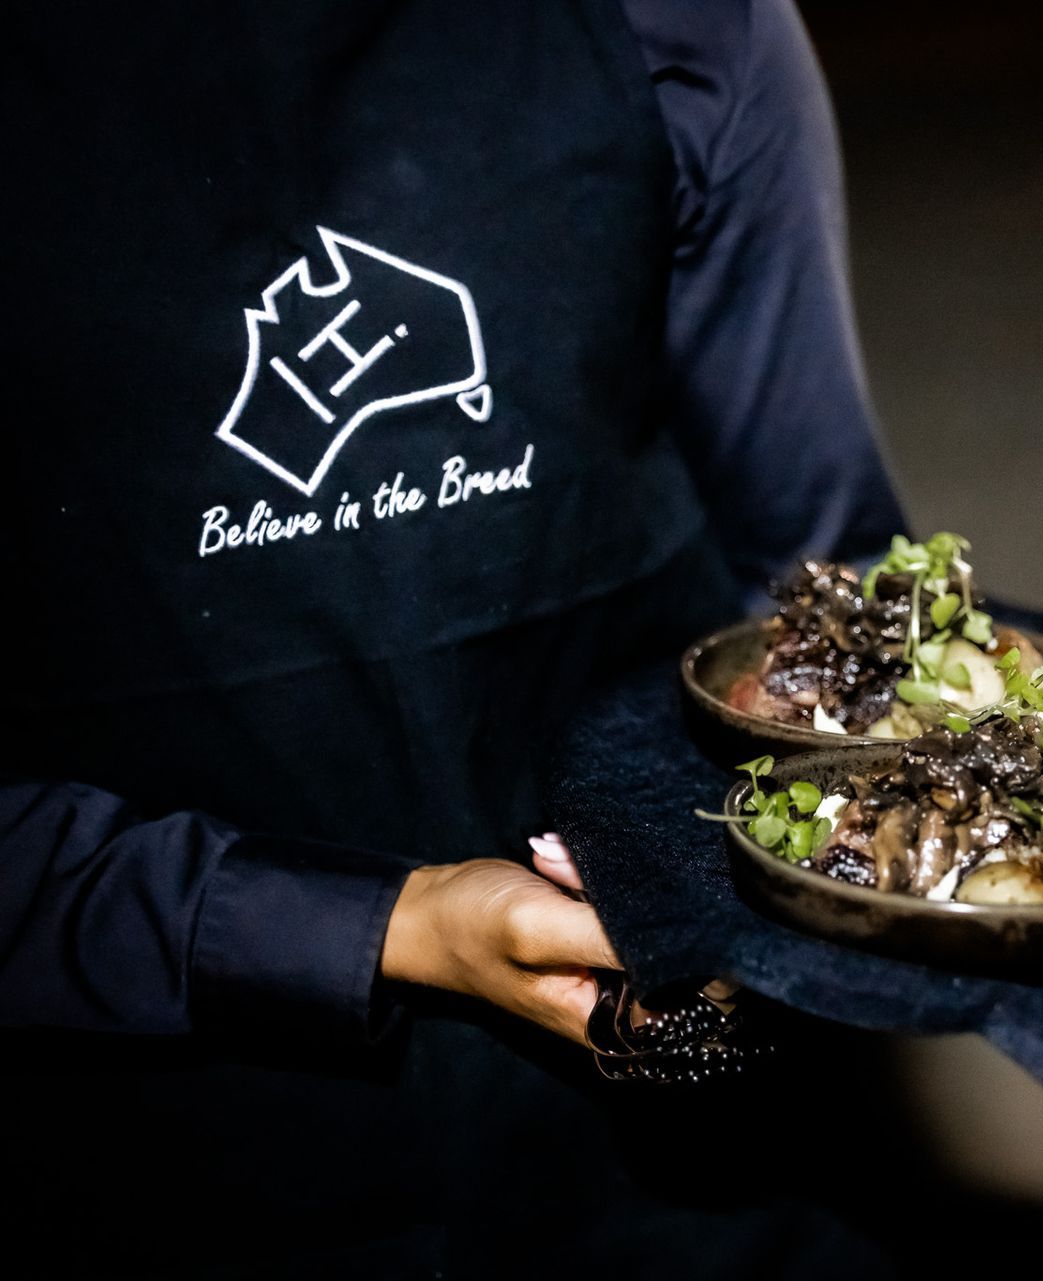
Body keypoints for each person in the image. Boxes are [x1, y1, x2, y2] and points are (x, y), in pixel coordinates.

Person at [0, 2, 904, 1275]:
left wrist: (795, 884)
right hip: (152, 1114)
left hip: (691, 1103)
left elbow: (822, 567)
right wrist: (379, 925)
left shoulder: (684, 28)